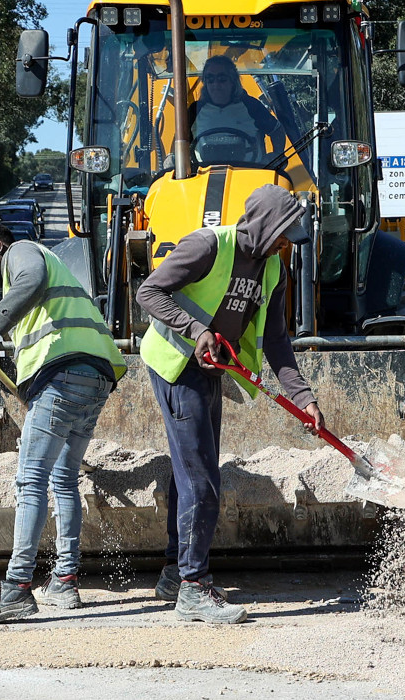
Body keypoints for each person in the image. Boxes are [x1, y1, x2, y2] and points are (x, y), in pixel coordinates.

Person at [135, 185, 319, 625]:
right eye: (282, 234)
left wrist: (304, 397)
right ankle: (194, 589)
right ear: (262, 225)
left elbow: (276, 340)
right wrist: (197, 330)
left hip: (212, 369)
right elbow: (149, 292)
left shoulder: (273, 268)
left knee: (192, 472)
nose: (285, 243)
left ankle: (174, 574)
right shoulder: (207, 245)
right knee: (203, 480)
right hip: (177, 365)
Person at [0, 221, 126, 624]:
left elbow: (30, 281)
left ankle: (17, 588)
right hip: (95, 376)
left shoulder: (22, 254)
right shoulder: (45, 267)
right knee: (63, 479)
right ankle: (64, 582)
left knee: (31, 478)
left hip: (63, 375)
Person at [187, 56, 288, 164]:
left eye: (222, 79)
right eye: (210, 79)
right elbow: (181, 141)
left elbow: (277, 131)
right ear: (205, 82)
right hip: (203, 176)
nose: (216, 85)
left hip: (250, 174)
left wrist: (275, 156)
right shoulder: (195, 110)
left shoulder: (251, 106)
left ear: (233, 81)